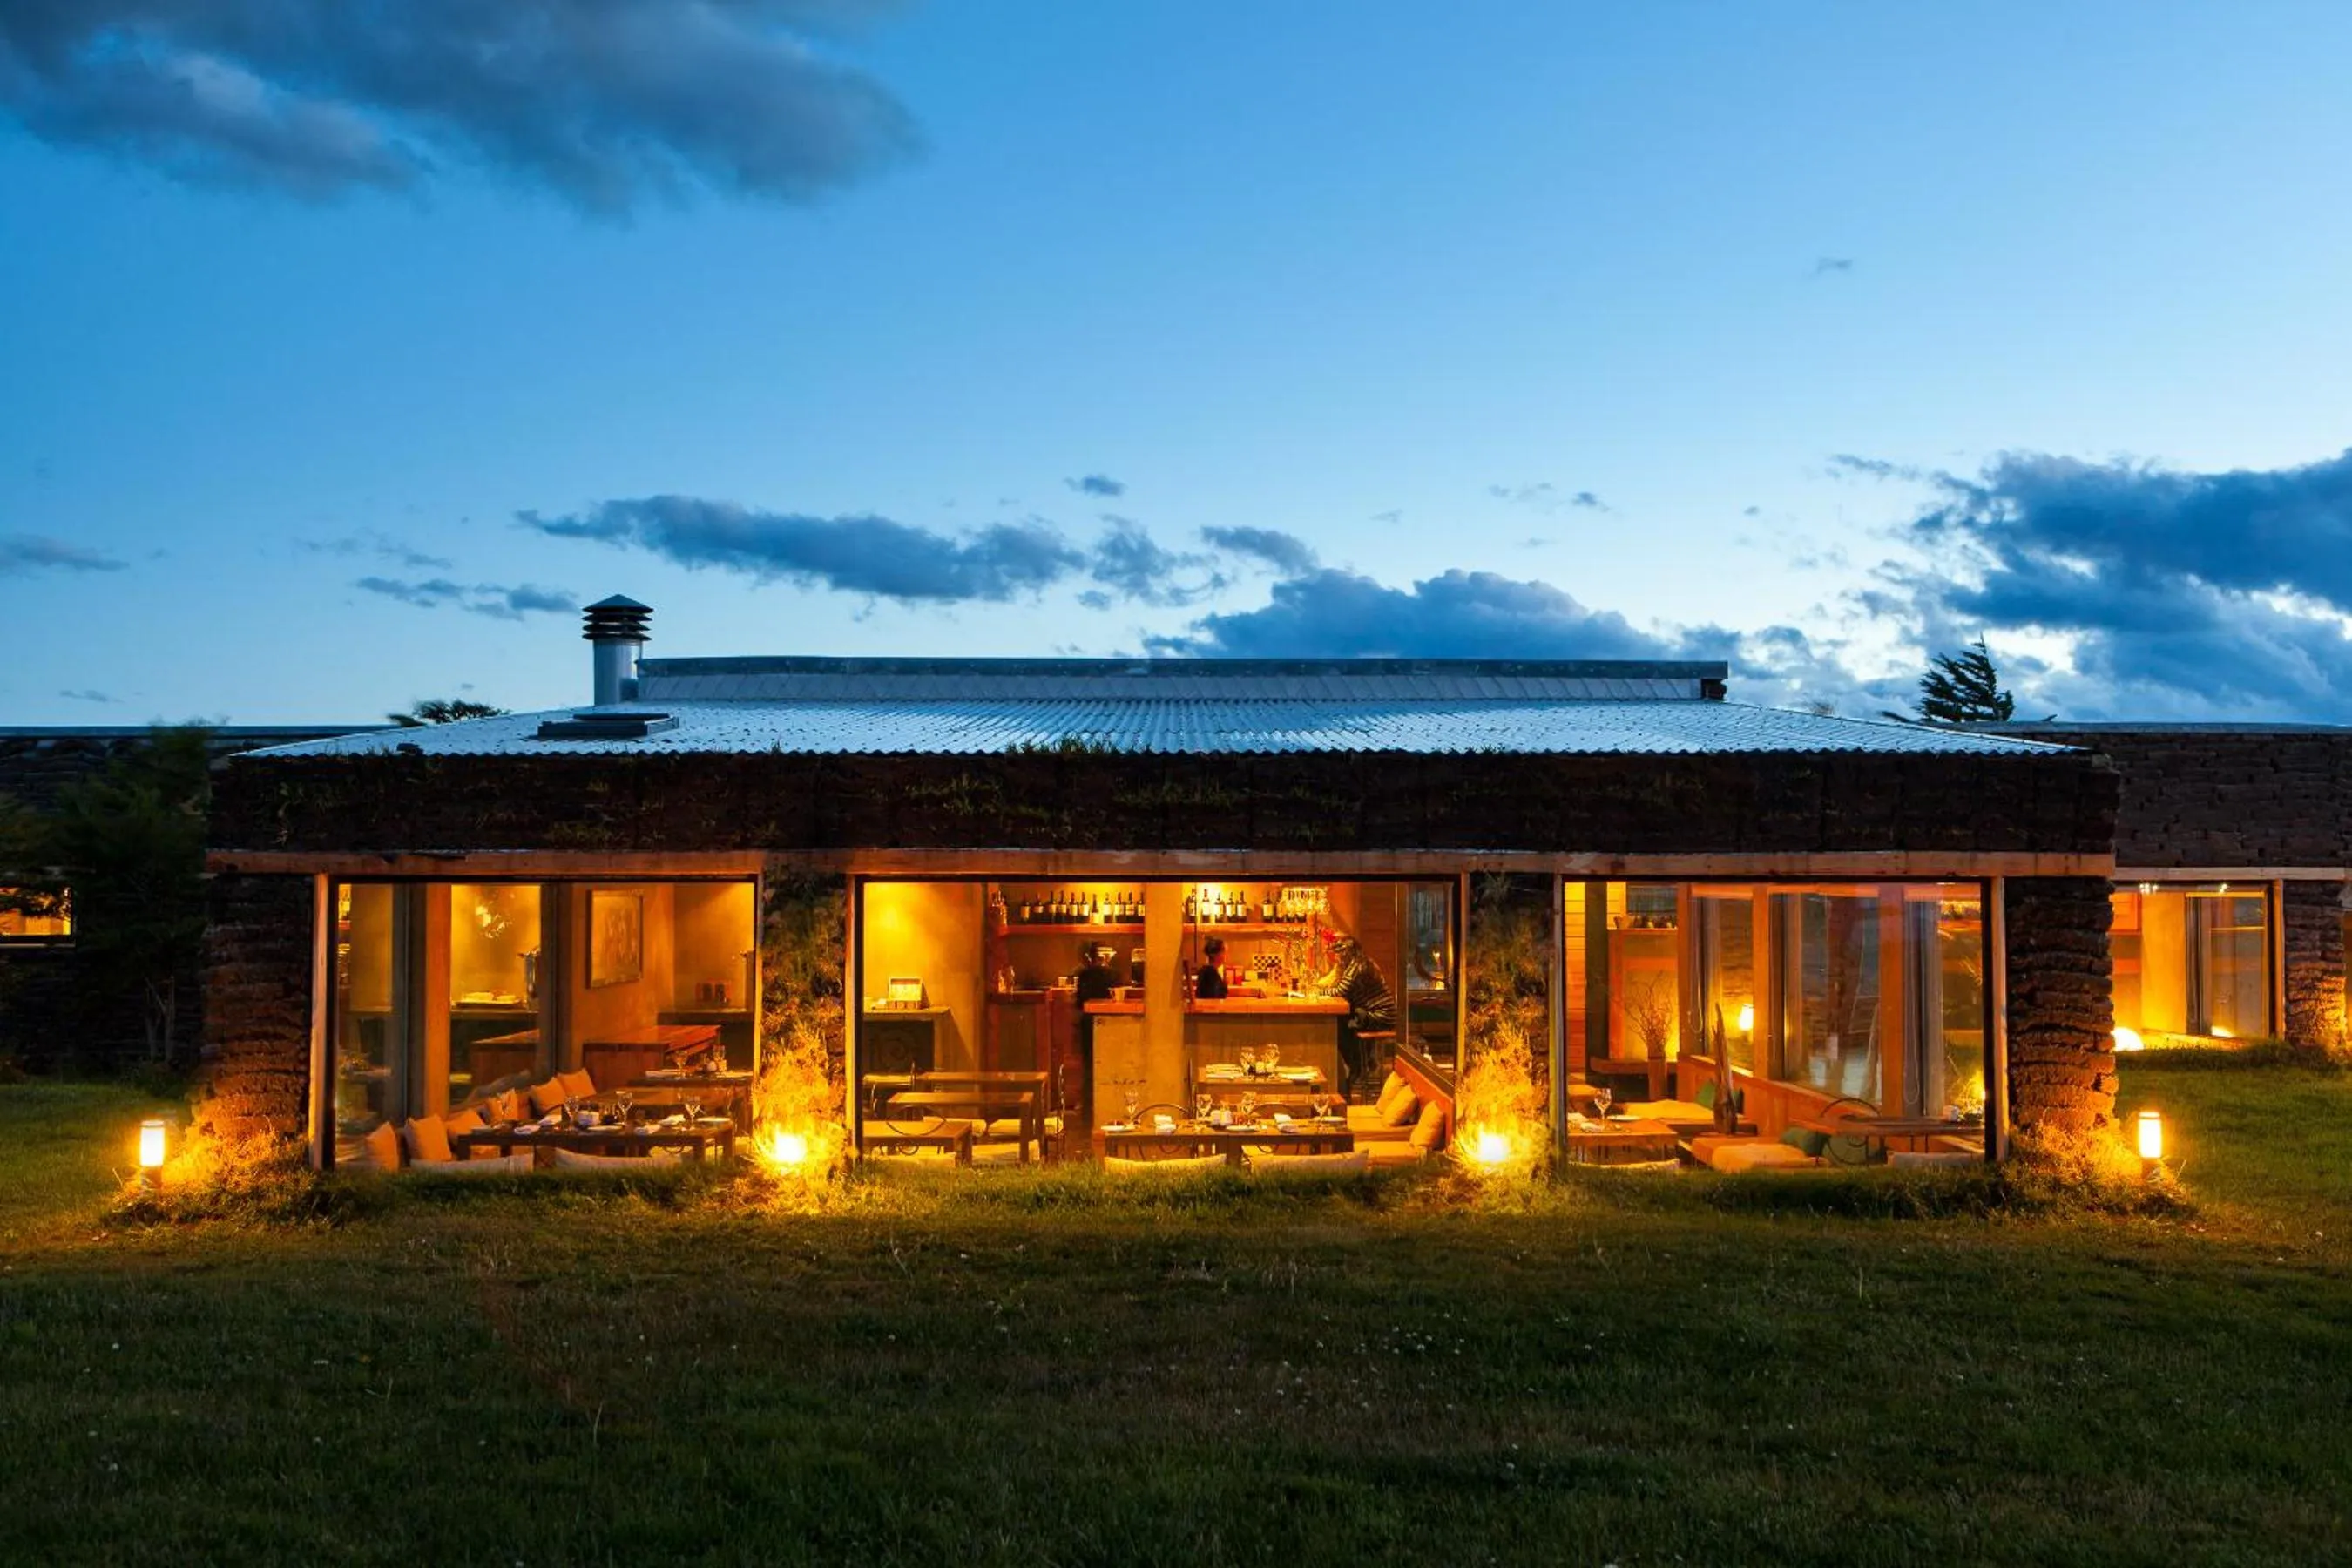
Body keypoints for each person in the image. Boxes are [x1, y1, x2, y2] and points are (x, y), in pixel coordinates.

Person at [1324, 935, 1395, 1096]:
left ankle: (1357, 1067)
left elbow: (1340, 991)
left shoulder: (1357, 966)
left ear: (1346, 953)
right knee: (1343, 1022)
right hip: (1373, 1013)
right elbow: (1336, 985)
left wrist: (1318, 992)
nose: (1335, 958)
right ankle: (1360, 1064)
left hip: (1380, 1015)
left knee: (1341, 1024)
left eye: (1338, 953)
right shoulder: (1359, 963)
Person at [1072, 944, 1116, 1130]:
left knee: (1089, 1066)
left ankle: (1089, 1110)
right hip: (1110, 1025)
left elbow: (1079, 1001)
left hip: (1087, 1023)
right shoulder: (1112, 974)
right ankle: (1106, 1104)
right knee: (1105, 1064)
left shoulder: (1084, 975)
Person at [1193, 936, 1229, 1000]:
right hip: (1209, 1009)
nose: (1226, 954)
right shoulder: (1210, 973)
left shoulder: (1208, 970)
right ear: (1214, 954)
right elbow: (1214, 998)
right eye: (1223, 951)